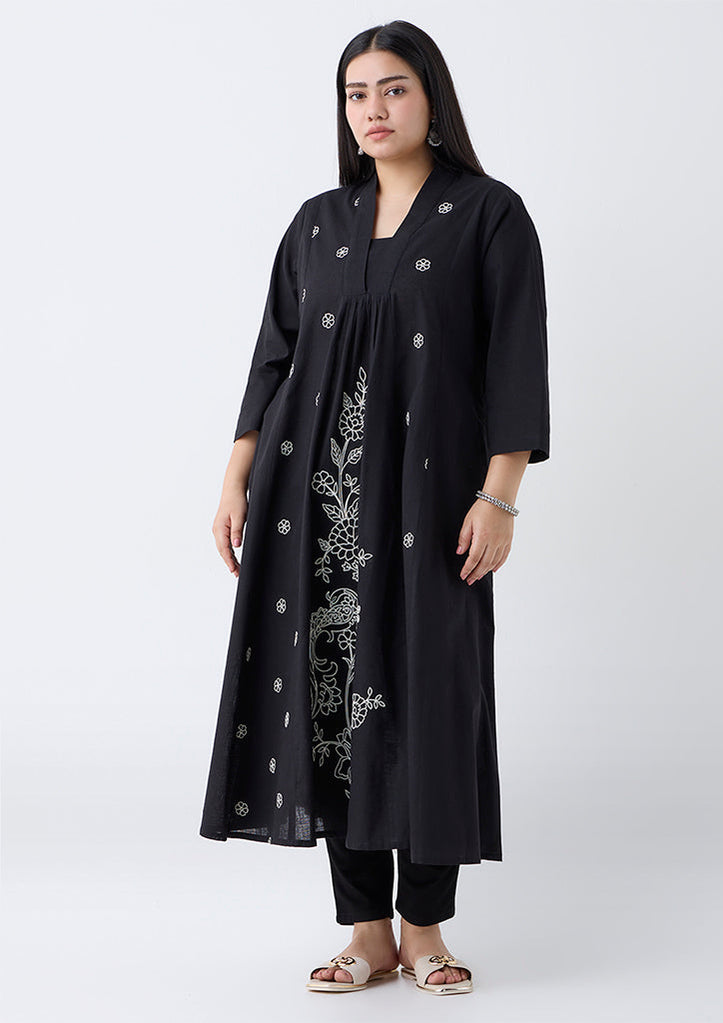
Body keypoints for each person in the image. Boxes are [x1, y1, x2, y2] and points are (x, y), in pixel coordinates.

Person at [200, 20, 550, 996]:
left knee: (429, 693)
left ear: (431, 96)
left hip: (433, 505)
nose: (372, 109)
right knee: (328, 700)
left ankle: (424, 928)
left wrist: (499, 495)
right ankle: (366, 932)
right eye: (356, 94)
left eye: (392, 88)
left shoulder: (487, 215)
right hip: (311, 507)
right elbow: (272, 357)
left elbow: (515, 360)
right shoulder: (318, 223)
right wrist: (234, 478)